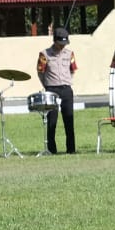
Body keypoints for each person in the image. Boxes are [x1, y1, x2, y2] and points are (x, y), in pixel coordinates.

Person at [36, 27, 77, 155]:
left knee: (69, 120)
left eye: (64, 44)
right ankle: (52, 150)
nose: (62, 46)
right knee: (51, 121)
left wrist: (67, 81)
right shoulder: (44, 54)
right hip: (51, 90)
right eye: (60, 44)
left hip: (66, 89)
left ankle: (71, 149)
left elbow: (73, 69)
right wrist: (47, 85)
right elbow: (40, 71)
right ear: (55, 41)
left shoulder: (69, 53)